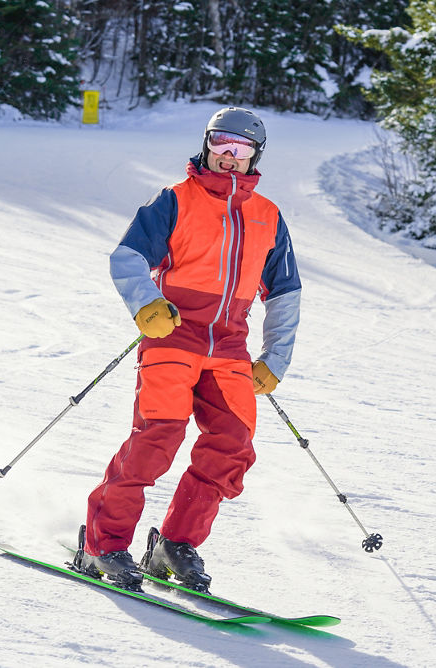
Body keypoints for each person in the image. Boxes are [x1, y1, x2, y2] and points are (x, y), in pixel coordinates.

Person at [74, 106, 301, 591]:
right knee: (158, 438)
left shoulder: (268, 217)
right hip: (173, 336)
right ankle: (102, 544)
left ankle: (174, 544)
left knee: (233, 446)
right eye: (221, 144)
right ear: (206, 144)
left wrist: (275, 358)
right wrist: (146, 303)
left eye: (240, 150)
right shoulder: (176, 200)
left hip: (230, 349)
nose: (229, 157)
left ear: (255, 156)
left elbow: (284, 293)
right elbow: (128, 256)